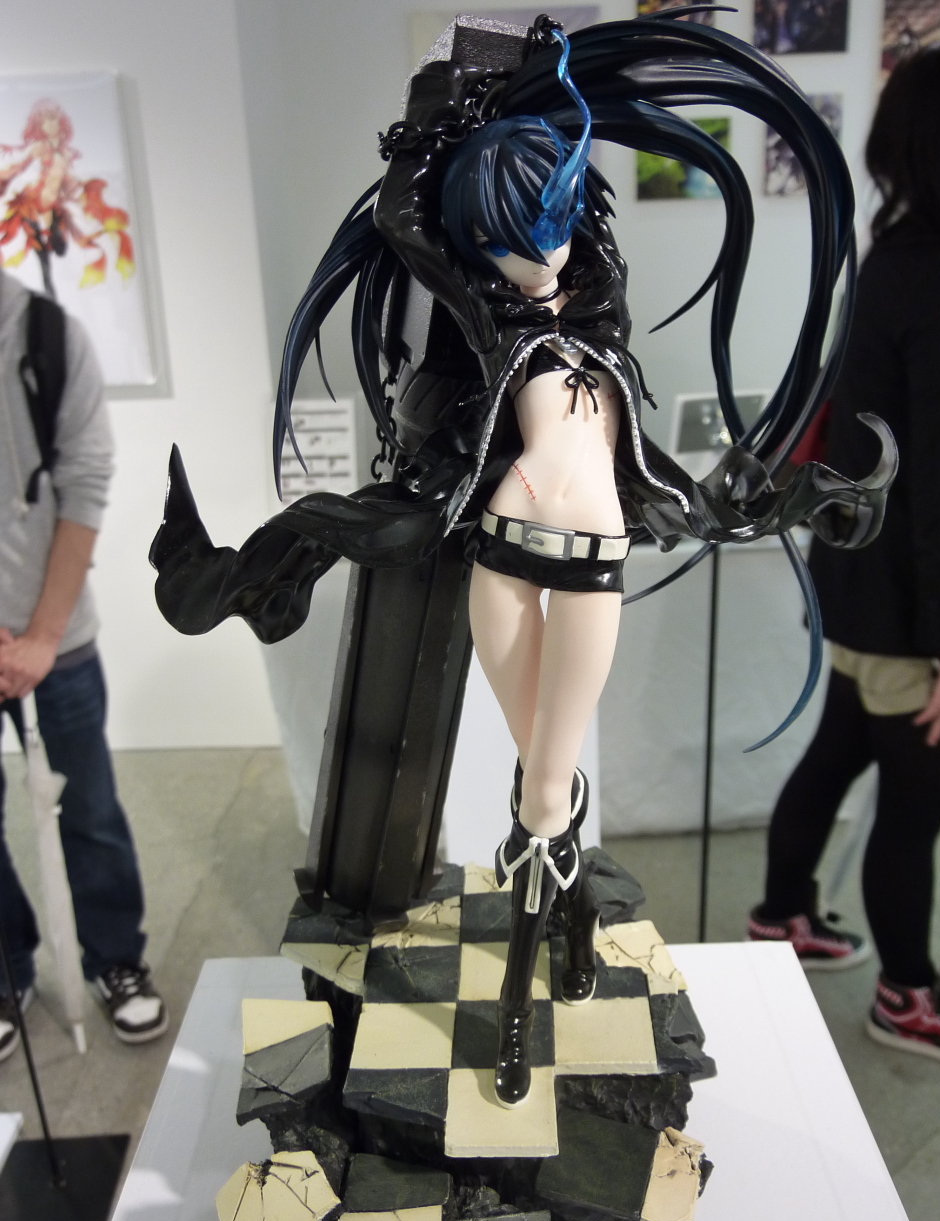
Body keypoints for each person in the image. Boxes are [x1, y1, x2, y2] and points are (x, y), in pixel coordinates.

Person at [150, 13, 894, 1104]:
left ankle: (523, 997)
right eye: (506, 240)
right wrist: (435, 107)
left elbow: (567, 229)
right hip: (505, 547)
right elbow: (405, 218)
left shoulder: (597, 298)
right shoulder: (488, 304)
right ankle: (561, 944)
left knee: (548, 787)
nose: (531, 257)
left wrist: (523, 89)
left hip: (590, 558)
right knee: (535, 779)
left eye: (543, 230)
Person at [749, 40, 940, 1065]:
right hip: (908, 601)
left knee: (839, 751)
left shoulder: (899, 252)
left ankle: (781, 914)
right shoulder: (939, 275)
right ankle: (906, 996)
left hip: (861, 574)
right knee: (913, 807)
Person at [0, 266, 167, 1062]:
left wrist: (40, 635)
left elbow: (85, 482)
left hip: (56, 638)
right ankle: (7, 968)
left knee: (88, 806)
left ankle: (116, 960)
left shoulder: (45, 336)